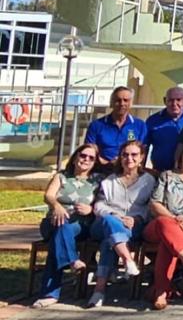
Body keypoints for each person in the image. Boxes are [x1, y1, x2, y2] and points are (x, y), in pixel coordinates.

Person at [87, 141, 155, 308]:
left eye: (134, 155)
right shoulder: (109, 181)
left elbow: (151, 207)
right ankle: (127, 259)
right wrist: (114, 215)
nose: (129, 158)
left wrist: (137, 218)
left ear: (141, 158)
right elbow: (99, 205)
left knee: (109, 242)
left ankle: (99, 291)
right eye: (125, 155)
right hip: (103, 223)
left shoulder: (149, 181)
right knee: (110, 222)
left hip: (132, 226)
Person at [32, 144, 100, 308]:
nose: (86, 160)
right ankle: (72, 260)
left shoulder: (97, 181)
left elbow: (102, 203)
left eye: (91, 158)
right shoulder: (61, 176)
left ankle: (50, 294)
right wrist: (56, 206)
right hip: (52, 222)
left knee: (59, 237)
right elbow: (48, 195)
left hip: (81, 225)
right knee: (61, 228)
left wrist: (91, 210)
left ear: (94, 162)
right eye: (83, 155)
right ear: (75, 157)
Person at [143, 142, 183, 309]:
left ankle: (161, 292)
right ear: (181, 155)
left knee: (169, 243)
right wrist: (174, 218)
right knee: (166, 225)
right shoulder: (167, 175)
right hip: (162, 223)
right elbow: (155, 204)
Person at [85, 85, 147, 166]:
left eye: (126, 100)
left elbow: (142, 152)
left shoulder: (140, 125)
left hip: (129, 168)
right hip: (103, 168)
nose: (122, 103)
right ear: (111, 103)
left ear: (131, 103)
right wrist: (106, 163)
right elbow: (89, 150)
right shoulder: (96, 125)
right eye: (118, 100)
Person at [144, 87, 183, 173]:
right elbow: (144, 147)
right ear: (165, 101)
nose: (174, 104)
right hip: (160, 171)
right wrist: (141, 169)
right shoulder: (153, 120)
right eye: (171, 100)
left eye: (178, 100)